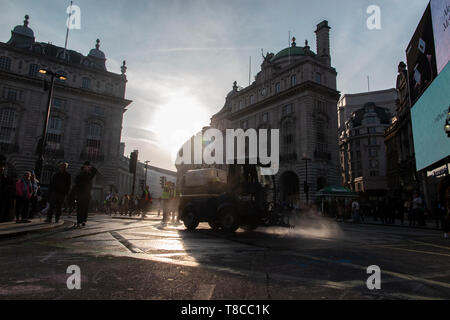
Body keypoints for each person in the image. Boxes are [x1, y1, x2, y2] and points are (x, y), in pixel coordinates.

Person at [73, 162, 97, 228]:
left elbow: (95, 171)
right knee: (79, 208)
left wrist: (90, 167)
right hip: (80, 194)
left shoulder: (89, 175)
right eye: (85, 167)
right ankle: (79, 221)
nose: (86, 168)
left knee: (85, 208)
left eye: (87, 167)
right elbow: (76, 182)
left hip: (87, 194)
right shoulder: (79, 174)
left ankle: (83, 220)